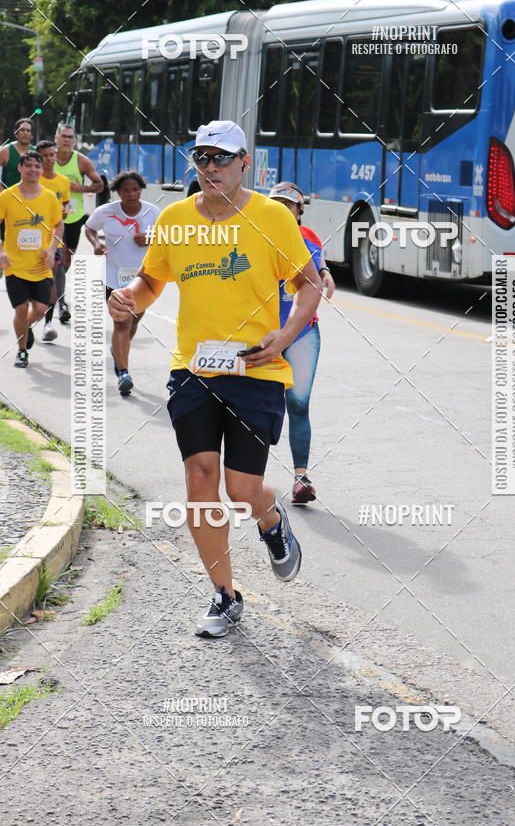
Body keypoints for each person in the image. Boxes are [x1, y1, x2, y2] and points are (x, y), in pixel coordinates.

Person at [108, 120, 321, 638]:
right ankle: (225, 595)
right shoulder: (176, 218)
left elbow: (309, 284)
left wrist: (285, 335)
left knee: (242, 489)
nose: (210, 167)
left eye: (221, 158)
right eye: (201, 158)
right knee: (200, 479)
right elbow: (152, 279)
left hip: (255, 368)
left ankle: (271, 520)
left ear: (244, 163)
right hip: (193, 369)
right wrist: (129, 298)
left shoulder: (272, 217)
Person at [269, 182, 335, 503]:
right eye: (276, 204)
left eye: (288, 205)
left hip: (302, 333)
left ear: (299, 210)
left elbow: (318, 265)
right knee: (261, 406)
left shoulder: (309, 236)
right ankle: (248, 479)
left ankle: (300, 479)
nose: (282, 209)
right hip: (262, 333)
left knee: (297, 404)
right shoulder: (256, 233)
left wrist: (326, 273)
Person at [85, 170, 159, 396]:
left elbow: (167, 237)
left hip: (142, 280)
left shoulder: (152, 212)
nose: (131, 194)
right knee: (122, 324)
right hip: (112, 278)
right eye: (125, 190)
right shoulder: (105, 212)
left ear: (141, 190)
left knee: (133, 322)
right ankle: (123, 372)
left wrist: (150, 239)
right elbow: (89, 228)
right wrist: (96, 244)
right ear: (117, 192)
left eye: (135, 189)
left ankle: (118, 350)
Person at [0, 151, 64, 368]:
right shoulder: (7, 196)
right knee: (21, 308)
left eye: (37, 166)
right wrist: (1, 251)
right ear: (20, 168)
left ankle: (25, 326)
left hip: (40, 266)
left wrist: (52, 250)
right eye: (28, 166)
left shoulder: (49, 197)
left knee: (39, 310)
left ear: (41, 169)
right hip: (14, 265)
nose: (33, 170)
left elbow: (59, 225)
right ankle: (22, 351)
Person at [54, 123, 103, 323]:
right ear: (56, 138)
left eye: (70, 137)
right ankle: (61, 303)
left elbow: (100, 185)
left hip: (74, 217)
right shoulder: (48, 159)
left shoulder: (81, 161)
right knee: (58, 259)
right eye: (64, 136)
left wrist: (79, 188)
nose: (67, 140)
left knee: (66, 260)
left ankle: (53, 286)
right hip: (52, 218)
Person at [36, 140, 70, 342]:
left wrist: (63, 212)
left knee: (51, 277)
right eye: (44, 156)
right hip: (30, 241)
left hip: (53, 238)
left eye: (52, 155)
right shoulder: (33, 179)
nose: (49, 159)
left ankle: (48, 323)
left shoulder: (63, 181)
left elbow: (65, 205)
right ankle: (29, 320)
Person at [0, 119, 34, 189]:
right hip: (9, 193)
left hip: (31, 193)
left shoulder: (35, 151)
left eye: (28, 130)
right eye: (22, 130)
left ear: (31, 135)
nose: (25, 133)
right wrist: (2, 191)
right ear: (16, 133)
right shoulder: (6, 150)